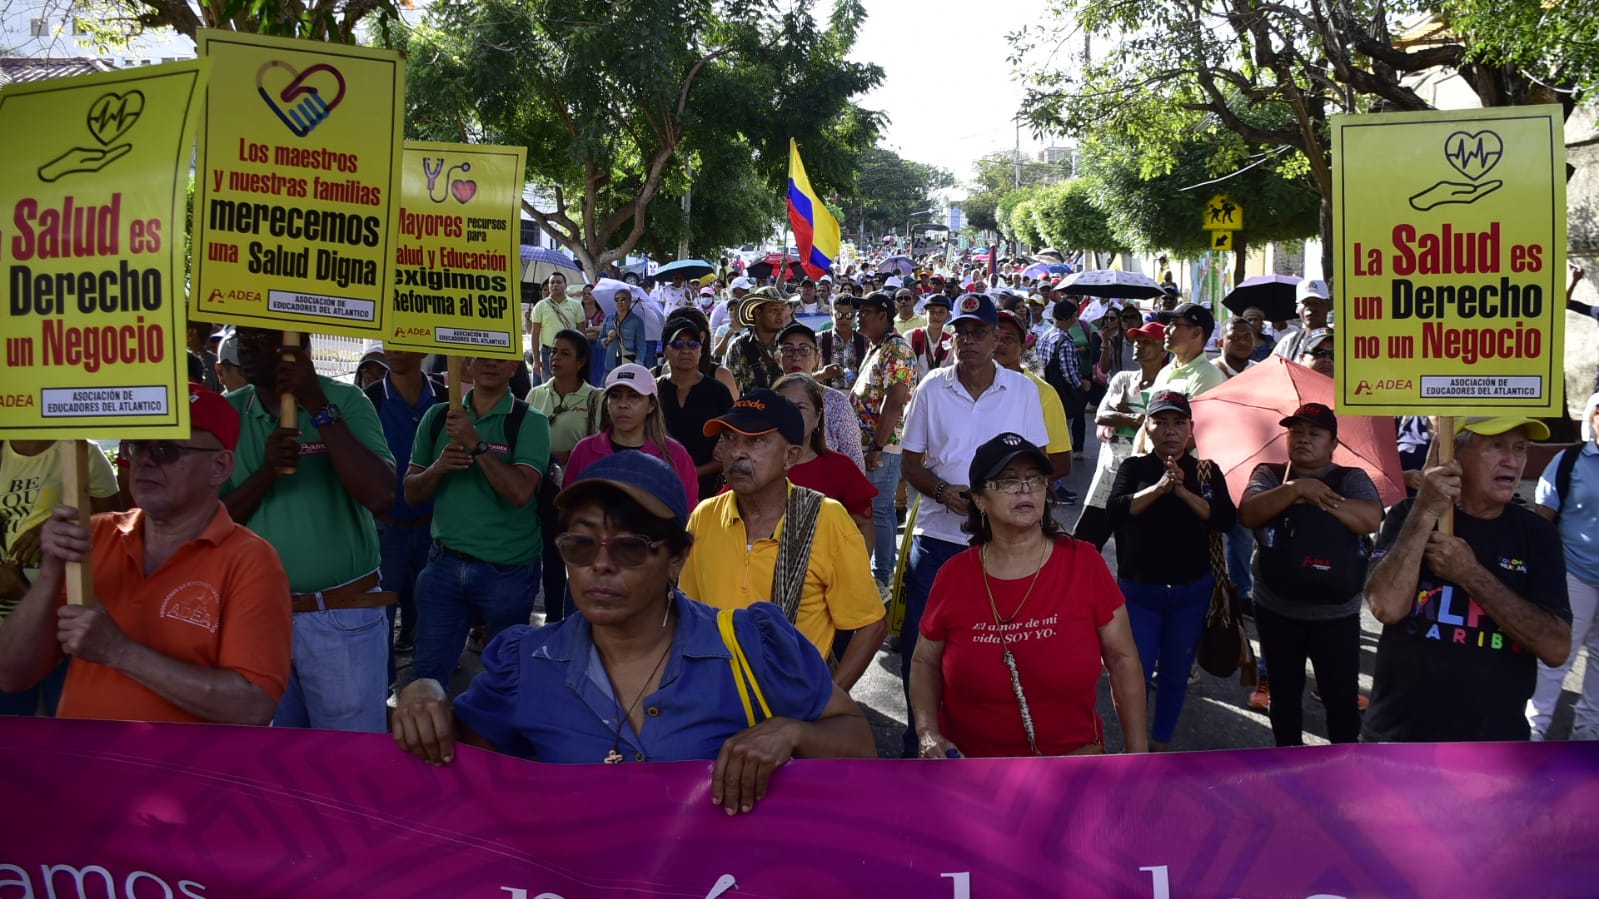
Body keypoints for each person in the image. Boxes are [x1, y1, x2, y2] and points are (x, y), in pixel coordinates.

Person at [391, 453, 875, 811]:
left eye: (628, 547)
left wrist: (792, 733)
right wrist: (423, 692)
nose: (600, 565)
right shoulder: (524, 662)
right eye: (580, 545)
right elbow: (460, 764)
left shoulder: (752, 646)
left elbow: (858, 743)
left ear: (677, 559)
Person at [0, 384, 292, 725]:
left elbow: (252, 706)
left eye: (167, 450)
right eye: (137, 446)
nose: (145, 461)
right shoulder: (93, 536)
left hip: (182, 775)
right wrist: (49, 574)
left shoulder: (251, 561)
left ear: (220, 466)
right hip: (86, 773)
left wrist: (119, 652)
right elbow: (11, 674)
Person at [909, 433, 1147, 757]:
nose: (1025, 489)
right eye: (1008, 481)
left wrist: (1137, 752)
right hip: (971, 772)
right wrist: (927, 732)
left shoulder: (1084, 563)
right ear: (979, 499)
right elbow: (924, 661)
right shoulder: (953, 576)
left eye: (1035, 479)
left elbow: (1122, 660)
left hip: (1072, 764)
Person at [223, 327, 396, 732]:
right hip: (259, 619)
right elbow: (209, 522)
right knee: (275, 766)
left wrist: (318, 407)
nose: (246, 346)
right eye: (244, 337)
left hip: (342, 616)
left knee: (349, 764)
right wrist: (266, 473)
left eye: (262, 338)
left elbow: (382, 494)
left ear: (300, 349)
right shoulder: (228, 414)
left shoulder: (346, 400)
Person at [899, 293, 1049, 757]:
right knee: (922, 655)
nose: (968, 341)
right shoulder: (931, 388)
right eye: (961, 332)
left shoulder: (1022, 391)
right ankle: (918, 749)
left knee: (993, 656)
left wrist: (1004, 503)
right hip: (939, 541)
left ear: (996, 338)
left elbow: (1037, 464)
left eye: (978, 332)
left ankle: (992, 755)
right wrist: (947, 494)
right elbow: (910, 463)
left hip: (1004, 548)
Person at [1363, 417, 1572, 742]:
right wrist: (1424, 510)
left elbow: (1556, 648)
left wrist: (1470, 574)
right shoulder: (1409, 515)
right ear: (1454, 456)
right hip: (1398, 737)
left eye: (1520, 448)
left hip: (1492, 749)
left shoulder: (1537, 536)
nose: (1512, 461)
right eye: (1497, 446)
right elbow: (1386, 607)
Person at [679, 391, 886, 689]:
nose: (736, 452)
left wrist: (825, 704)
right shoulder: (705, 516)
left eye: (755, 441)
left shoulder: (826, 520)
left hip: (792, 706)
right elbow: (690, 613)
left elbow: (871, 624)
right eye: (729, 438)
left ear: (790, 456)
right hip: (714, 702)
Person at [1238, 403, 1383, 745]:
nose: (1303, 439)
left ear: (1333, 443)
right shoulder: (1270, 474)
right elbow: (1249, 512)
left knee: (1341, 702)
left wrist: (1321, 498)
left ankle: (1343, 771)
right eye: (1296, 432)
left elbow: (1370, 519)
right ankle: (1290, 767)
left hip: (1337, 615)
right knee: (1284, 699)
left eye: (1314, 434)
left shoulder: (1352, 479)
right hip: (1276, 610)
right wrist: (1296, 490)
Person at [404, 356, 550, 688]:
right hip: (444, 566)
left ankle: (496, 741)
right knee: (427, 680)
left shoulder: (529, 421)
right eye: (479, 356)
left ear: (514, 367)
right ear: (465, 364)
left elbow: (519, 493)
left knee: (507, 679)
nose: (489, 363)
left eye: (500, 357)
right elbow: (411, 494)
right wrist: (437, 469)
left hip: (508, 572)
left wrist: (476, 444)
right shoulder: (439, 417)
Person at [1107, 390, 1236, 751]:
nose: (1170, 430)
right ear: (1147, 427)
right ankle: (1135, 746)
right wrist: (1159, 488)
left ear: (1191, 430)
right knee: (1135, 673)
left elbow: (1226, 519)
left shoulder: (1206, 472)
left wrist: (1183, 493)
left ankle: (1161, 743)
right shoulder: (1134, 468)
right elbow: (1115, 510)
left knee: (1176, 675)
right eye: (1161, 421)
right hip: (1140, 593)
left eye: (1179, 422)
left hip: (1190, 594)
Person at [0, 439, 123, 715]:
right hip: (7, 619)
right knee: (11, 729)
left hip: (66, 613)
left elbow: (114, 527)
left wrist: (56, 526)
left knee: (68, 719)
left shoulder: (83, 452)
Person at [363, 347, 445, 669]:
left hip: (435, 528)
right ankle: (381, 693)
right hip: (385, 529)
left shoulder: (445, 398)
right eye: (390, 339)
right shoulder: (368, 400)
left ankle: (428, 694)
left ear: (423, 346)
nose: (394, 349)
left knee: (434, 616)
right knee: (378, 621)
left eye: (403, 339)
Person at [1529, 392, 1599, 740]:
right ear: (1595, 416)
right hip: (1575, 575)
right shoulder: (1571, 459)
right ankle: (1534, 730)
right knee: (1557, 656)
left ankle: (1588, 734)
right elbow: (1544, 516)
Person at [527, 329, 602, 622]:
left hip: (577, 493)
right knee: (546, 558)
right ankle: (551, 621)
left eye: (564, 353)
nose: (555, 358)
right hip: (539, 488)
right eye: (553, 352)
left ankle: (576, 623)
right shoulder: (536, 394)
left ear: (581, 361)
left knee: (577, 558)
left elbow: (596, 446)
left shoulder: (595, 398)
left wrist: (567, 457)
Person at [1073, 321, 1167, 549]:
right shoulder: (1123, 378)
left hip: (1141, 474)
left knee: (1131, 544)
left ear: (1164, 350)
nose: (1139, 346)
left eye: (1147, 342)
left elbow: (1163, 429)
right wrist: (1135, 419)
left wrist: (1123, 411)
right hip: (1108, 470)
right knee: (1085, 539)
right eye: (1137, 341)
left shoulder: (1167, 385)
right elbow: (1101, 415)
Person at [850, 292, 917, 590]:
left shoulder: (897, 350)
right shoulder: (878, 347)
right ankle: (880, 571)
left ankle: (882, 575)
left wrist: (876, 447)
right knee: (878, 508)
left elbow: (895, 401)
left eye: (866, 311)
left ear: (883, 316)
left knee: (879, 508)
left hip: (884, 445)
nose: (859, 316)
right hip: (869, 443)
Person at [567, 363, 699, 508]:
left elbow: (689, 514)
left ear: (651, 405)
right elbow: (568, 508)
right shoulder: (584, 450)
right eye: (615, 396)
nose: (623, 404)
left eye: (633, 396)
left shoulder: (675, 455)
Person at [773, 373, 877, 538]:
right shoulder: (757, 465)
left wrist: (856, 564)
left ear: (818, 417)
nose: (790, 415)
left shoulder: (841, 468)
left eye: (800, 407)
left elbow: (864, 525)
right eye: (783, 407)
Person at [658, 318, 735, 501]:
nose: (685, 350)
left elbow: (731, 443)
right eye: (677, 344)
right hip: (659, 485)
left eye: (693, 344)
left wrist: (692, 473)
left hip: (708, 491)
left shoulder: (718, 391)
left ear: (700, 350)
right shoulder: (653, 390)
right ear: (666, 350)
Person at [994, 310, 1073, 482]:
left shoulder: (1044, 393)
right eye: (994, 337)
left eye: (1009, 338)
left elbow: (1060, 462)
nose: (999, 344)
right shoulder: (968, 386)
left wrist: (1014, 490)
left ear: (1023, 347)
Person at [776, 322, 866, 470]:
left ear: (817, 358)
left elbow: (855, 463)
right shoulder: (768, 401)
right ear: (778, 359)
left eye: (804, 350)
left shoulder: (835, 401)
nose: (796, 356)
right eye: (788, 350)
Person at [1038, 299, 1095, 460]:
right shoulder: (1065, 342)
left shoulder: (1044, 336)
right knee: (1062, 430)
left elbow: (1036, 364)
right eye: (1074, 316)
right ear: (1069, 318)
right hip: (1063, 394)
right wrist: (1082, 384)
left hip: (1045, 390)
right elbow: (1069, 373)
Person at [1152, 302, 1225, 400]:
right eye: (1168, 323)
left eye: (1174, 324)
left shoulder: (1207, 375)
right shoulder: (1164, 372)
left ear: (1196, 332)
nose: (1165, 329)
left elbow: (1195, 415)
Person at [726, 287, 787, 393]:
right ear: (758, 313)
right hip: (752, 408)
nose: (780, 314)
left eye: (782, 309)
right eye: (774, 309)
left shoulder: (791, 342)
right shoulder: (739, 346)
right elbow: (730, 392)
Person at [531, 272, 584, 381]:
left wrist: (582, 356)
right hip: (548, 353)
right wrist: (536, 360)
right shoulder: (540, 306)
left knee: (570, 382)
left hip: (570, 352)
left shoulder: (576, 305)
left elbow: (582, 332)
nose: (555, 285)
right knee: (549, 386)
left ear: (565, 285)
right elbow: (535, 334)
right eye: (552, 283)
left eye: (559, 282)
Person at [819, 293, 869, 391]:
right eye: (839, 315)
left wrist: (861, 382)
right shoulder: (818, 340)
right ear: (831, 314)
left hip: (857, 399)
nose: (844, 319)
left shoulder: (866, 341)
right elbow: (805, 377)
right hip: (826, 399)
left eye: (849, 315)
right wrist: (822, 375)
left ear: (855, 315)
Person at [1273, 279, 1332, 361]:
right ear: (1297, 308)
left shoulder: (1340, 341)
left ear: (1328, 306)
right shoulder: (1289, 342)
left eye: (1316, 303)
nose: (1311, 308)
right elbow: (1271, 369)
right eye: (1305, 303)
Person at [907, 294, 954, 380]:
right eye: (932, 312)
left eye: (941, 312)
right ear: (925, 313)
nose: (936, 316)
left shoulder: (951, 341)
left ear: (948, 315)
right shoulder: (911, 336)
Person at [603, 289, 647, 372]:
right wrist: (607, 339)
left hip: (628, 362)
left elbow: (641, 345)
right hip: (610, 363)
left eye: (623, 299)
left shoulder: (637, 321)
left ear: (630, 301)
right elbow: (600, 342)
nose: (619, 302)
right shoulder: (609, 319)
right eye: (617, 299)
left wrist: (638, 363)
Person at [580, 286, 609, 387]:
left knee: (598, 373)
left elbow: (602, 329)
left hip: (598, 348)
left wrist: (584, 331)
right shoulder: (578, 311)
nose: (587, 296)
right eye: (584, 293)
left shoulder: (601, 312)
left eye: (589, 293)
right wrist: (593, 331)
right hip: (582, 346)